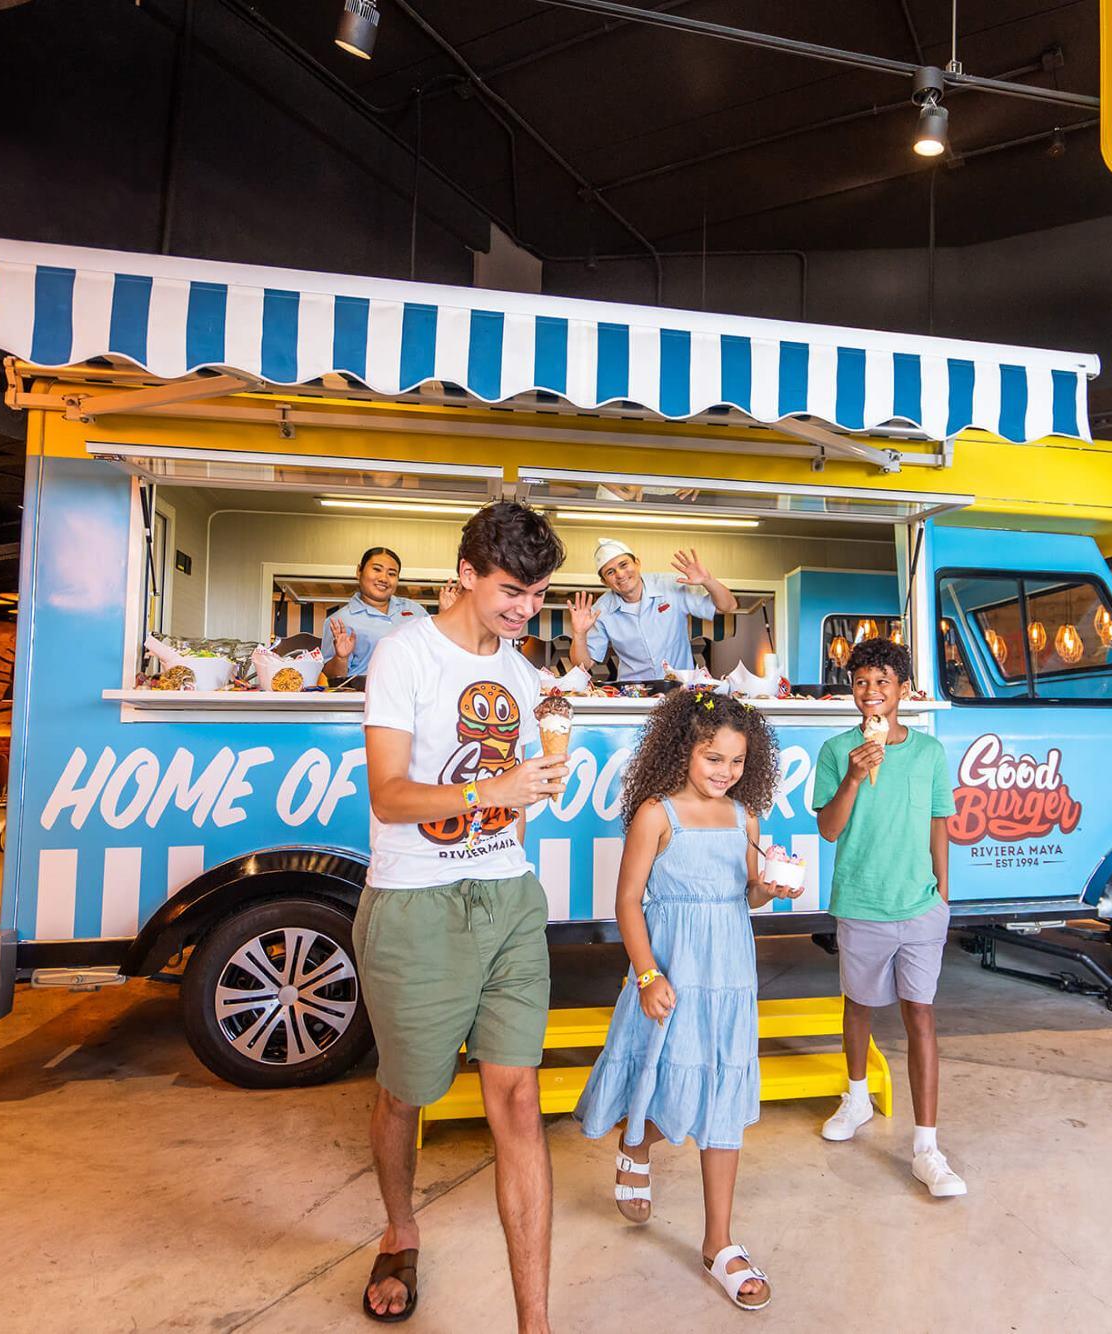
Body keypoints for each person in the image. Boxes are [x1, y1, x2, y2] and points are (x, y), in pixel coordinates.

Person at [357, 501, 570, 1329]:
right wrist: (496, 789)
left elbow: (511, 805)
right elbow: (390, 793)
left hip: (509, 896)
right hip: (416, 904)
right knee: (406, 1095)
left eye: (539, 595)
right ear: (467, 575)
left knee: (518, 1100)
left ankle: (535, 1323)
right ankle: (400, 1227)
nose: (525, 609)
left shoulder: (520, 672)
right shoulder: (404, 656)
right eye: (512, 590)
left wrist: (542, 781)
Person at [573, 689, 795, 1312]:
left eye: (736, 762)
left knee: (723, 1089)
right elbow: (627, 901)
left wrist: (768, 889)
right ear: (682, 751)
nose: (724, 773)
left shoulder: (744, 817)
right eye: (711, 758)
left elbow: (746, 894)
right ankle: (635, 1146)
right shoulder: (657, 813)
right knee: (653, 1072)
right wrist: (646, 975)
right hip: (669, 973)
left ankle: (719, 1241)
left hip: (729, 977)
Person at [810, 637, 967, 1198]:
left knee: (920, 1014)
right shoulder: (836, 751)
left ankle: (926, 1145)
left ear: (904, 690)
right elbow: (829, 829)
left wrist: (942, 896)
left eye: (882, 683)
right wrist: (853, 776)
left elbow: (939, 823)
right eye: (860, 683)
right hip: (860, 901)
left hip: (921, 905)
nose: (871, 693)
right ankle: (856, 1099)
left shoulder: (928, 753)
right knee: (860, 1005)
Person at [567, 539, 736, 682]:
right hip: (634, 695)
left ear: (637, 563)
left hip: (682, 690)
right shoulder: (601, 610)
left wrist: (708, 581)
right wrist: (578, 634)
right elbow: (583, 665)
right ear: (604, 582)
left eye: (624, 565)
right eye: (610, 572)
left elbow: (728, 607)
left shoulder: (671, 585)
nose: (620, 574)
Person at [323, 547, 430, 682]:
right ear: (359, 571)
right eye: (376, 569)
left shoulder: (415, 610)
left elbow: (436, 649)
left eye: (391, 574)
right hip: (363, 698)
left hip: (412, 696)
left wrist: (446, 612)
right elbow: (329, 679)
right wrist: (340, 658)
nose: (383, 578)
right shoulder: (340, 620)